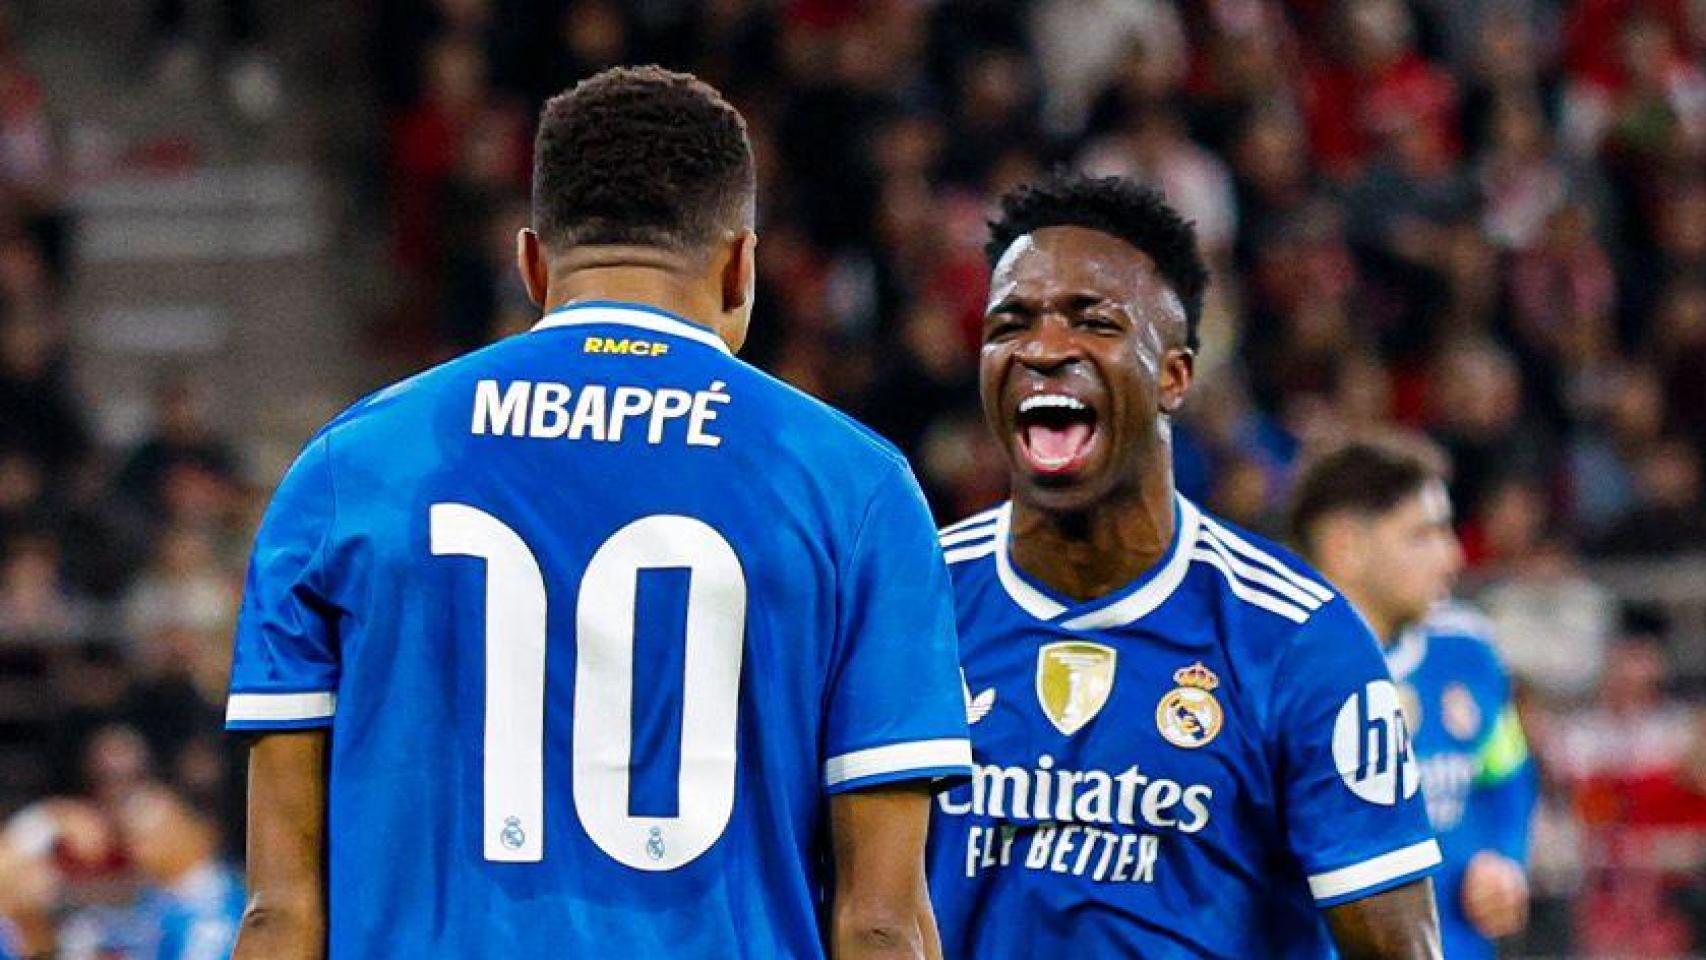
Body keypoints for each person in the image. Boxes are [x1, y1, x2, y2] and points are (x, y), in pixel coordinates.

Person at [226, 65, 971, 959]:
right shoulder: (854, 490)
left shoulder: (347, 472)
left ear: (532, 265)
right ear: (741, 266)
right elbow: (882, 921)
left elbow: (278, 914)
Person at [925, 171, 1443, 958]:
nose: (1045, 349)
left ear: (1174, 376)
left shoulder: (1296, 639)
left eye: (1092, 321)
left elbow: (1398, 948)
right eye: (1011, 324)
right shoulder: (913, 605)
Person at [1290, 438, 1539, 959]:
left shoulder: (1468, 651)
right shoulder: (1273, 675)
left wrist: (1505, 859)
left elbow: (1508, 774)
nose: (1453, 556)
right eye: (1422, 535)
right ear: (1344, 545)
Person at [119, 785, 245, 960]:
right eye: (133, 837)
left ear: (196, 831)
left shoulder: (216, 910)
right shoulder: (156, 897)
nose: (138, 849)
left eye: (152, 836)